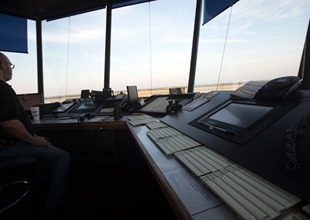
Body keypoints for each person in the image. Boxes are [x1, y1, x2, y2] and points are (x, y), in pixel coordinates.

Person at [0, 52, 71, 218]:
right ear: (3, 65)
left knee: (47, 145)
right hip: (9, 146)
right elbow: (9, 124)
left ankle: (38, 192)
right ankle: (52, 208)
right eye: (11, 65)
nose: (11, 69)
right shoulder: (2, 88)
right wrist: (33, 140)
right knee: (63, 156)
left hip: (7, 144)